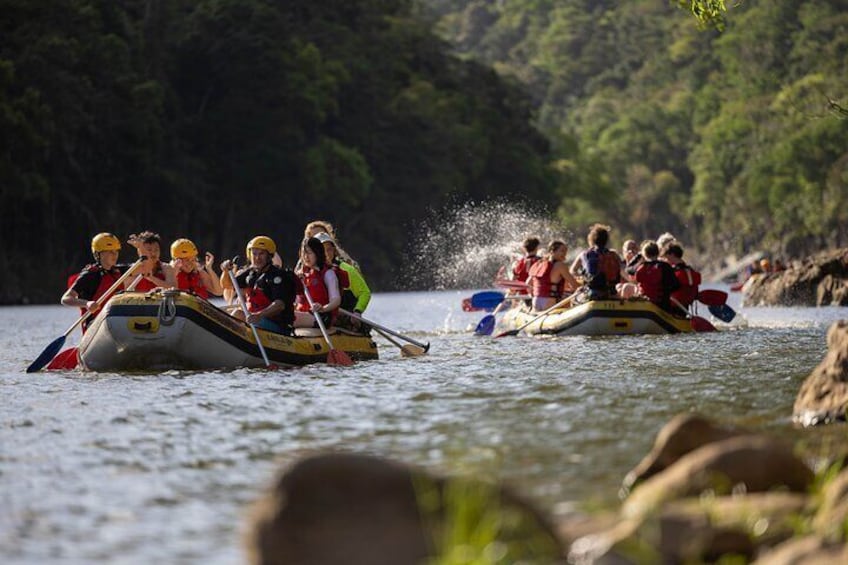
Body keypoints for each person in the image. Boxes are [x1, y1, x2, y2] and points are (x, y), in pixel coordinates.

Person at [220, 236, 297, 334]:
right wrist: (226, 271)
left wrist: (259, 315)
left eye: (262, 254)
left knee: (237, 314)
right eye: (254, 253)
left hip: (277, 326)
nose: (257, 258)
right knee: (233, 313)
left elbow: (279, 305)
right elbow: (227, 285)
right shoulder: (250, 272)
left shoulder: (278, 276)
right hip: (255, 321)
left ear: (269, 256)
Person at [61, 233, 138, 331]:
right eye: (110, 251)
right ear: (98, 254)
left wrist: (140, 248)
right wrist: (87, 303)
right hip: (94, 326)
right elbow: (66, 298)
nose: (114, 254)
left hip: (117, 322)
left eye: (116, 251)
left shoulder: (120, 270)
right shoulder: (89, 275)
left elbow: (145, 267)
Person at [314, 232, 371, 331]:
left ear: (334, 251)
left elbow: (365, 293)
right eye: (322, 250)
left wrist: (357, 311)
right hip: (319, 314)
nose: (326, 253)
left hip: (345, 314)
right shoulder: (307, 272)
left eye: (329, 249)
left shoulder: (346, 269)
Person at [294, 237, 342, 329]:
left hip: (322, 316)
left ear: (317, 253)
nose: (306, 257)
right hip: (304, 314)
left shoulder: (328, 273)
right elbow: (295, 301)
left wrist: (323, 308)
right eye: (304, 253)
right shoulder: (301, 274)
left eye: (310, 252)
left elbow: (336, 301)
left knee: (288, 317)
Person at [570, 223, 623, 300]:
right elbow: (622, 273)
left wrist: (581, 278)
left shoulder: (585, 254)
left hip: (593, 293)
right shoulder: (614, 255)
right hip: (612, 293)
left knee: (574, 299)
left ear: (591, 239)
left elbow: (572, 270)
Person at [528, 240, 579, 311]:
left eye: (566, 251)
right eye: (562, 251)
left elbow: (528, 284)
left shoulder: (539, 263)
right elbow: (575, 285)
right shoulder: (560, 265)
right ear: (552, 251)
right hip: (549, 302)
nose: (565, 254)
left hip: (536, 301)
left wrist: (534, 294)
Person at [635, 240, 680, 313]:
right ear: (658, 252)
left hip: (644, 304)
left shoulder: (640, 268)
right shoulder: (665, 266)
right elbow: (676, 285)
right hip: (662, 306)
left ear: (645, 254)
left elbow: (630, 271)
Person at [661, 242, 701, 309]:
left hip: (673, 306)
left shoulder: (674, 272)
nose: (666, 260)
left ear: (672, 255)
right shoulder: (690, 271)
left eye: (666, 258)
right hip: (685, 306)